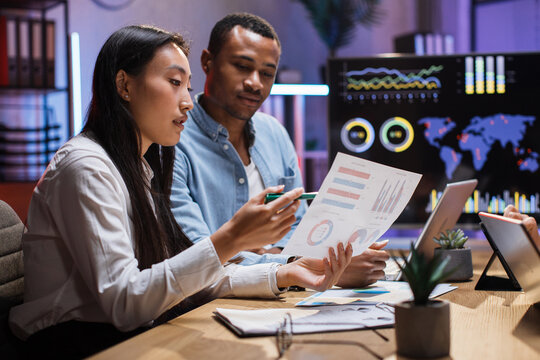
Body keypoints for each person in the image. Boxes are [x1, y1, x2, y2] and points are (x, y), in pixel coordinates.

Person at [8, 25, 352, 358]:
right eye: (175, 83)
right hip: (72, 343)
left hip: (120, 334)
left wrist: (283, 273)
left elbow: (179, 277)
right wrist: (230, 239)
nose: (188, 102)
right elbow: (127, 304)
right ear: (124, 85)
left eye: (188, 87)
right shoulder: (87, 168)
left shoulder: (139, 166)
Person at [170, 13, 388, 287]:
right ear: (206, 62)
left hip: (288, 291)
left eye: (267, 73)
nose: (255, 82)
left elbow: (299, 227)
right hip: (211, 304)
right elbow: (196, 255)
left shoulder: (274, 133)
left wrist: (297, 259)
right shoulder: (173, 141)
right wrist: (293, 264)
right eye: (241, 66)